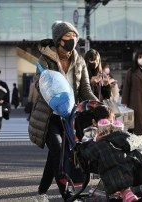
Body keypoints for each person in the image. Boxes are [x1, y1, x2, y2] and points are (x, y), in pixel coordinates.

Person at [28, 21, 97, 201]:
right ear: (59, 40)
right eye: (68, 37)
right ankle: (68, 195)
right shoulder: (45, 60)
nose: (72, 40)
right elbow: (39, 84)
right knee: (59, 149)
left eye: (74, 36)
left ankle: (41, 193)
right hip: (49, 115)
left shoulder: (79, 60)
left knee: (55, 155)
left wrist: (98, 105)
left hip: (70, 116)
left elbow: (85, 89)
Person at [79, 105, 142, 202]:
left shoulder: (117, 129)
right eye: (104, 123)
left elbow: (129, 141)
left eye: (111, 122)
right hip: (109, 159)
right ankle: (126, 192)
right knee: (114, 161)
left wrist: (123, 135)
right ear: (94, 122)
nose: (108, 126)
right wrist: (96, 140)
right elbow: (85, 148)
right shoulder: (90, 132)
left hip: (125, 156)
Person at [121, 52, 142, 137]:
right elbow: (126, 87)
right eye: (140, 57)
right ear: (136, 59)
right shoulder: (131, 72)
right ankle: (138, 140)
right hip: (136, 101)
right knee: (137, 125)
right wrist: (124, 102)